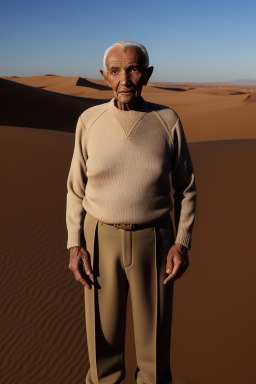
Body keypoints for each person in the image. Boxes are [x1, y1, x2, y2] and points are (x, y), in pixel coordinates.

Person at [66, 41, 197, 384]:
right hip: (99, 242)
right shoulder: (89, 121)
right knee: (103, 351)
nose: (125, 79)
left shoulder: (167, 121)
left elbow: (186, 187)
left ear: (147, 75)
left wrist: (181, 243)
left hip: (155, 241)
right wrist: (75, 245)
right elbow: (75, 190)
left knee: (154, 356)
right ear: (104, 76)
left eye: (134, 69)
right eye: (115, 71)